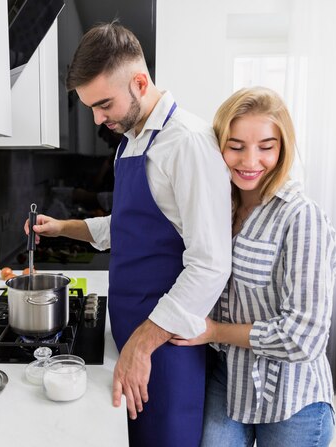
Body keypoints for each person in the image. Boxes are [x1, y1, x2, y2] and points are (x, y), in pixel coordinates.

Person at [24, 22, 232, 446]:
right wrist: (63, 227)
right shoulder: (131, 141)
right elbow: (130, 228)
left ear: (140, 82)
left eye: (103, 104)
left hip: (166, 349)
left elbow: (210, 263)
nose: (99, 119)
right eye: (91, 108)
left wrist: (143, 344)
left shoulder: (187, 143)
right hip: (131, 336)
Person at [171, 87, 336, 446]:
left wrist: (215, 331)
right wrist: (68, 227)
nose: (250, 161)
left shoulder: (301, 216)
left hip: (293, 396)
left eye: (266, 146)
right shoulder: (218, 207)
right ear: (218, 146)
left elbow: (303, 337)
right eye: (235, 146)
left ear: (282, 149)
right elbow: (144, 222)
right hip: (229, 378)